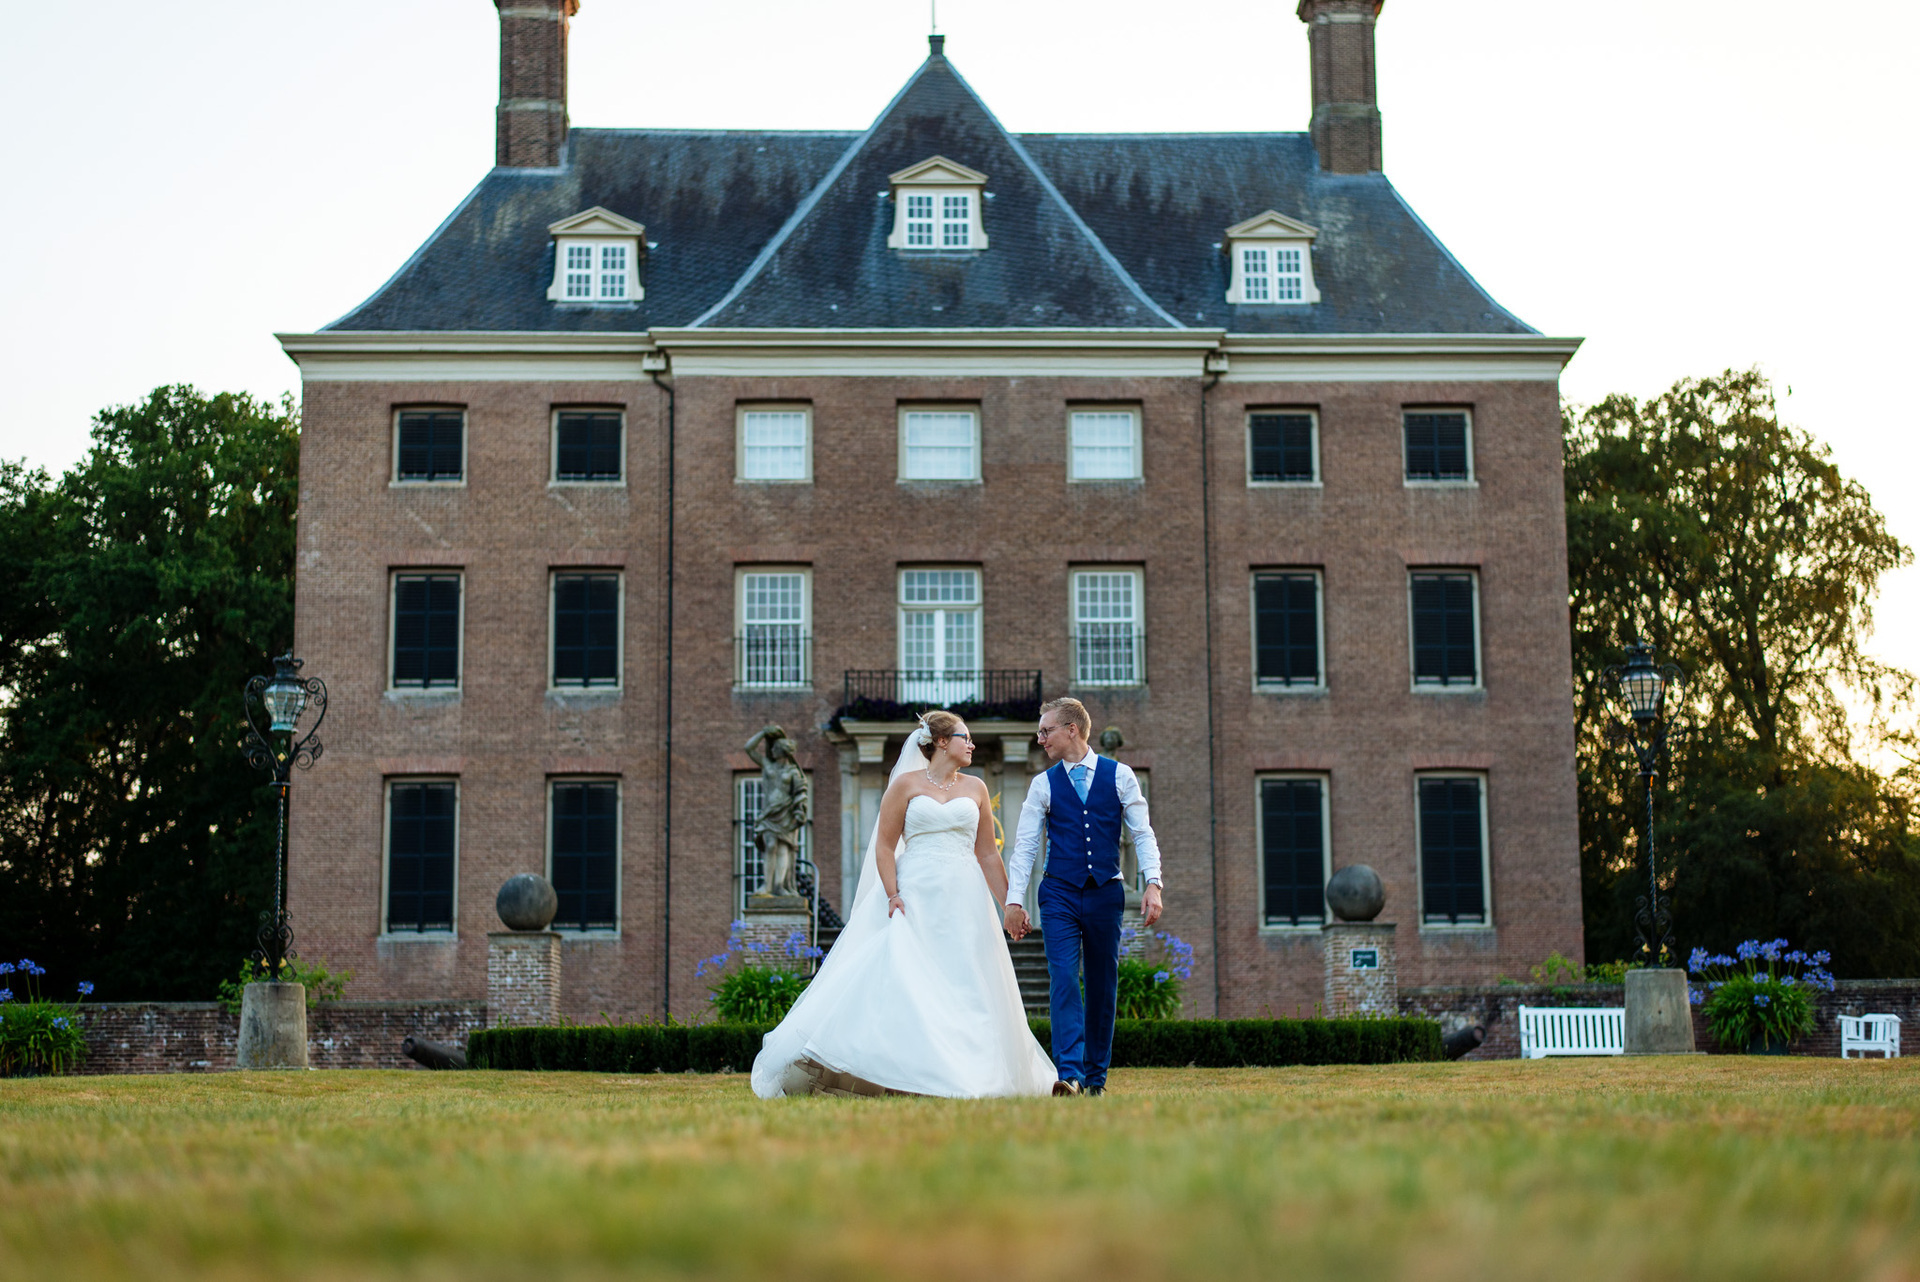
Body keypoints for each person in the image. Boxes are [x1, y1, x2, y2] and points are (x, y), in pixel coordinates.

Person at [751, 710, 1056, 1098]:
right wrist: (894, 893)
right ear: (942, 742)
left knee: (969, 980)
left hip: (965, 899)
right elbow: (883, 845)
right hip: (916, 894)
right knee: (910, 977)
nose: (973, 744)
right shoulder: (905, 785)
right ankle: (902, 1072)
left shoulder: (976, 788)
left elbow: (987, 854)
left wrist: (1010, 903)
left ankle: (975, 1075)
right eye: (966, 737)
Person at [1004, 696, 1163, 1097]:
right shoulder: (1043, 784)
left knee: (1102, 983)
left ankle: (1096, 1079)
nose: (1040, 739)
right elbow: (1024, 846)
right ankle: (1070, 1074)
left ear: (1071, 730)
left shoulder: (1120, 775)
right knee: (1062, 979)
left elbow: (1142, 832)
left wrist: (1154, 883)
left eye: (1046, 730)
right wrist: (1013, 900)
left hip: (1105, 893)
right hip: (1058, 892)